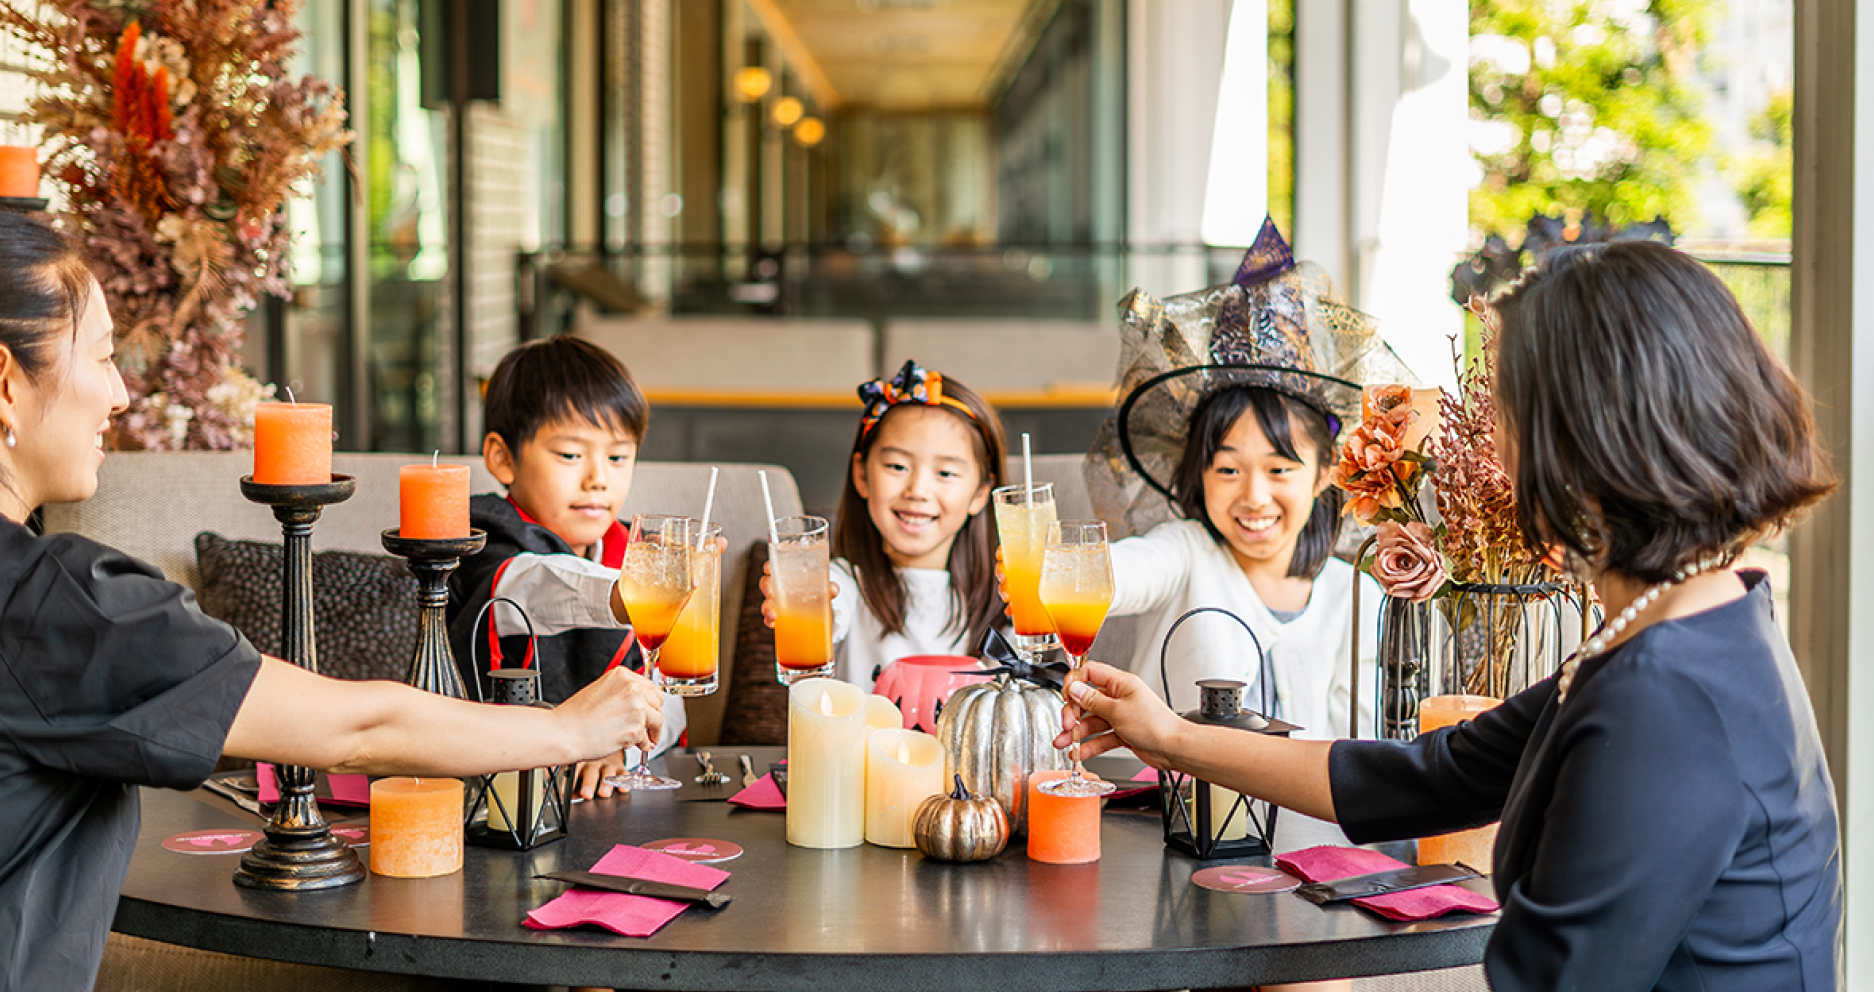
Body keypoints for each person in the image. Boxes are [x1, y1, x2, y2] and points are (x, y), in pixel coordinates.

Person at [0, 210, 664, 992]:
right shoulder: (41, 603)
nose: (122, 394)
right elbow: (357, 731)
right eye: (103, 358)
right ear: (3, 384)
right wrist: (568, 729)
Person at [1058, 240, 1842, 990]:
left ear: (1584, 440)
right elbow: (1429, 776)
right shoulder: (1684, 624)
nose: (1495, 448)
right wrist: (1171, 737)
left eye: (1509, 413)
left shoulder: (1666, 697)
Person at [1074, 219, 1392, 740]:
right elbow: (1122, 572)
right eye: (1227, 469)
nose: (1254, 496)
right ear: (1198, 473)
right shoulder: (1186, 553)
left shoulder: (1355, 598)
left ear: (1325, 472)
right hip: (1161, 795)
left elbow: (1357, 746)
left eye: (1279, 468)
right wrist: (1059, 569)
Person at [451, 334, 688, 797]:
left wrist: (623, 750)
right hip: (490, 789)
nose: (598, 478)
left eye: (617, 457)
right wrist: (630, 592)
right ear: (503, 458)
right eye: (571, 455)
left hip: (600, 799)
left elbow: (670, 698)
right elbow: (529, 586)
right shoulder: (480, 537)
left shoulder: (631, 550)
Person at [761, 360, 1008, 687]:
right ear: (861, 475)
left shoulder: (1003, 598)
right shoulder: (846, 583)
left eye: (946, 473)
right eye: (896, 466)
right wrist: (807, 604)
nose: (917, 490)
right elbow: (828, 602)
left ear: (980, 493)